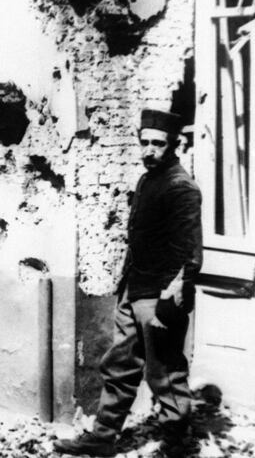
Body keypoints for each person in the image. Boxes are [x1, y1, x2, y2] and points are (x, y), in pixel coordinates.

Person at [54, 109, 203, 458]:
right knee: (120, 365)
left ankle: (178, 443)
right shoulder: (147, 180)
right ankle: (102, 438)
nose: (149, 149)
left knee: (164, 372)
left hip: (161, 296)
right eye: (145, 142)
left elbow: (190, 252)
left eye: (158, 143)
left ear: (174, 145)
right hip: (133, 289)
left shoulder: (182, 188)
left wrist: (174, 294)